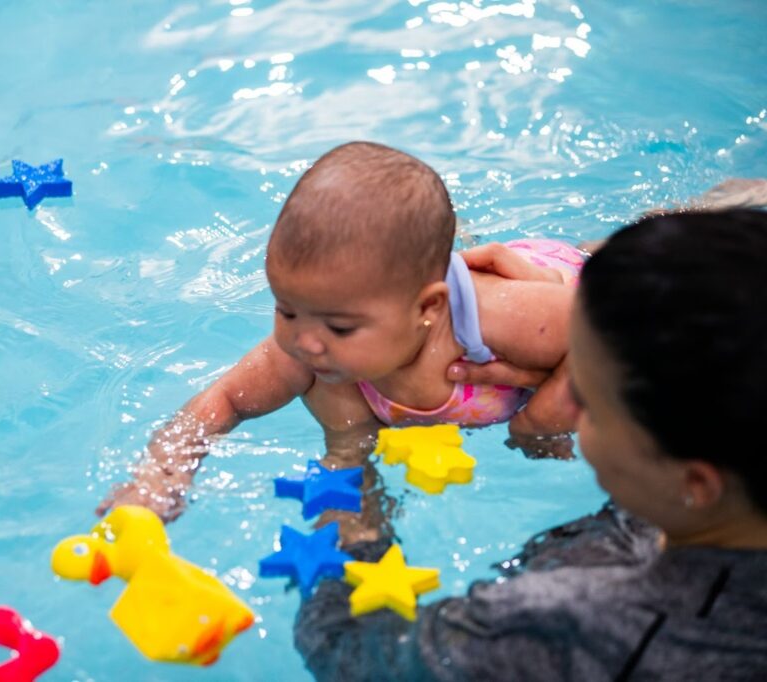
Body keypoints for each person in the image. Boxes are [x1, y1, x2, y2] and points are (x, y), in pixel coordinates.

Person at [294, 209, 767, 680]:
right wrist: (567, 284)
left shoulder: (544, 626)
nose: (572, 412)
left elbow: (349, 653)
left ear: (696, 483)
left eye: (585, 398)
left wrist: (348, 479)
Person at [99, 141, 583, 522]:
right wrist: (161, 476)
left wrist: (541, 421)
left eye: (339, 326)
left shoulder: (495, 316)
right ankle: (358, 500)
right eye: (287, 311)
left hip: (567, 287)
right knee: (340, 424)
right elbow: (224, 401)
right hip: (388, 344)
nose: (305, 341)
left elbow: (610, 333)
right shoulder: (313, 349)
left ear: (428, 308)